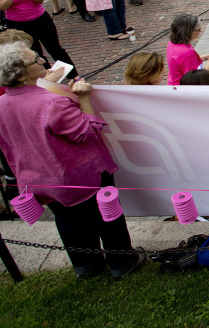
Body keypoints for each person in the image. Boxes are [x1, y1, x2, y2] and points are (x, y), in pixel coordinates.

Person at [0, 43, 143, 279]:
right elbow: (86, 132)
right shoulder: (50, 103)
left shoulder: (4, 103)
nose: (42, 62)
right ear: (21, 73)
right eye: (35, 60)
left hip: (39, 179)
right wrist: (84, 97)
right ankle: (123, 262)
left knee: (68, 221)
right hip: (81, 175)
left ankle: (86, 265)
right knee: (107, 217)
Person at [0, 0, 75, 76]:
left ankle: (73, 76)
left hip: (40, 19)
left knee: (55, 49)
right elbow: (3, 6)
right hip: (19, 25)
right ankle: (48, 78)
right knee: (36, 54)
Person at [166, 13, 209, 86]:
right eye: (198, 30)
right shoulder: (186, 53)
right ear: (188, 32)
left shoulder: (173, 43)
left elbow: (187, 62)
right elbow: (198, 79)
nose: (200, 31)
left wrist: (207, 57)